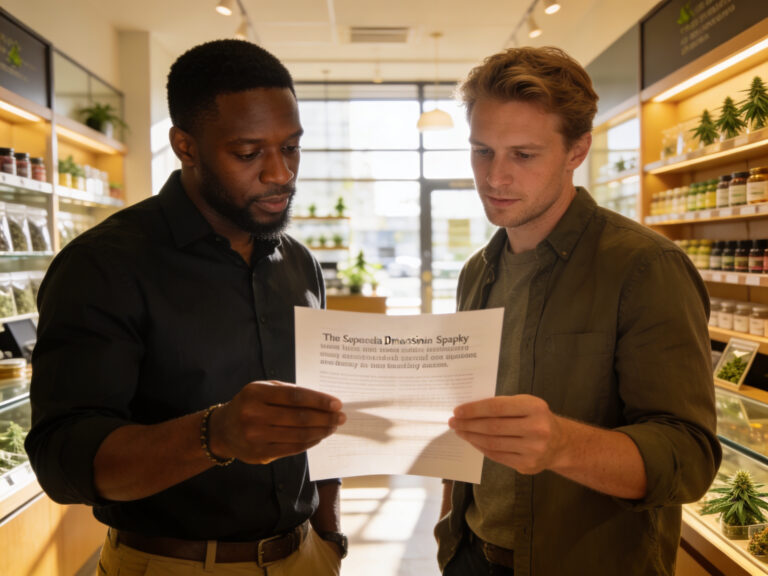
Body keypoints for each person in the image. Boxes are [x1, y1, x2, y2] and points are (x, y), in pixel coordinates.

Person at [25, 39, 348, 576]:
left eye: (291, 147)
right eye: (249, 153)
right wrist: (216, 434)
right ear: (185, 146)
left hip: (306, 557)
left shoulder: (299, 262)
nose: (280, 174)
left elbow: (321, 415)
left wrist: (329, 531)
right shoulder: (103, 266)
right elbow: (62, 461)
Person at [434, 46, 721, 576]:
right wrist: (451, 527)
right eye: (482, 151)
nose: (495, 178)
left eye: (523, 155)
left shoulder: (645, 268)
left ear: (576, 151)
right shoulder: (478, 271)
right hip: (472, 555)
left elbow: (690, 459)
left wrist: (562, 444)